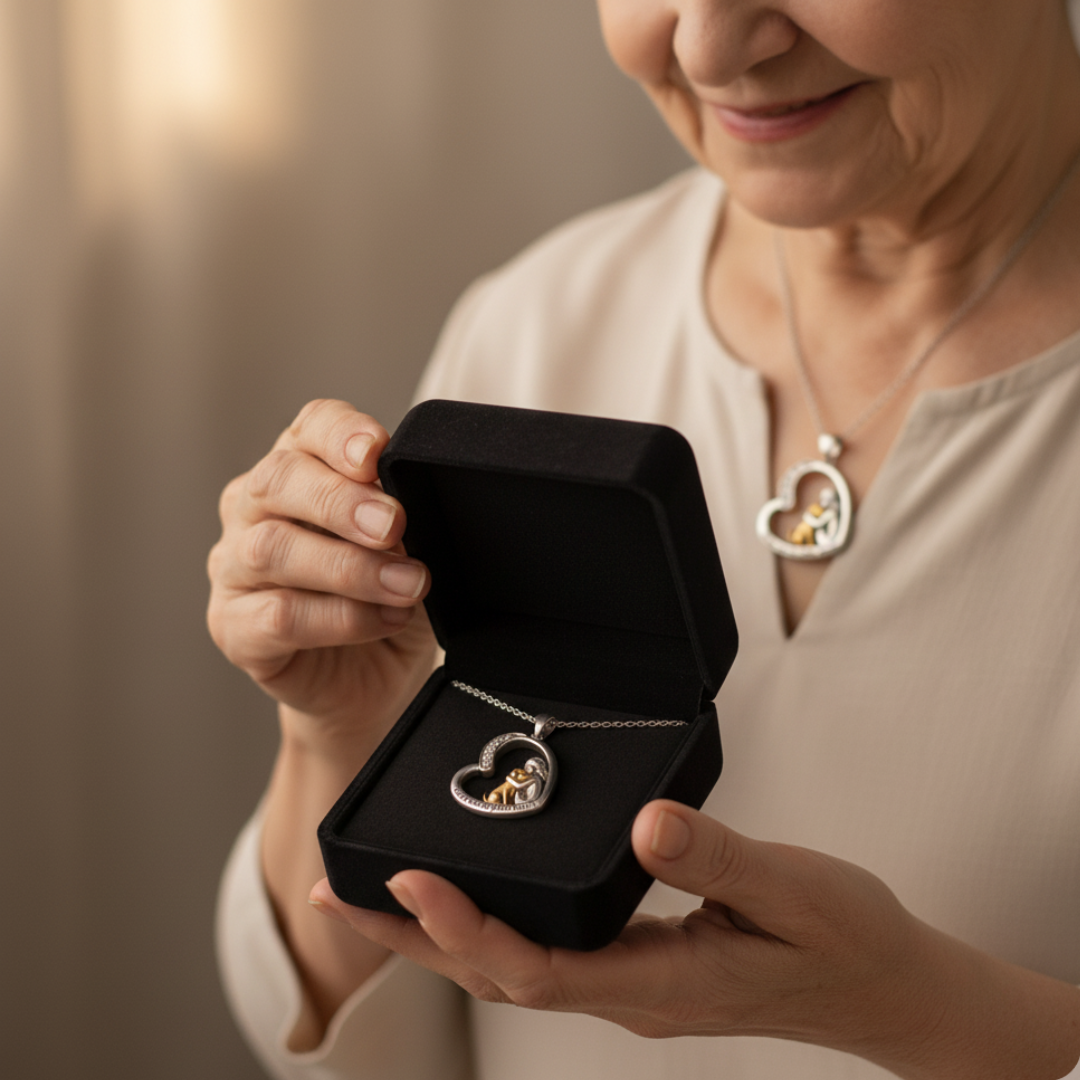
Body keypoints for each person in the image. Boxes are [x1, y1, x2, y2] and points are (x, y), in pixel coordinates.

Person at [207, 0, 1080, 1077]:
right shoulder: (534, 322)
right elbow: (359, 1044)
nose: (708, 46)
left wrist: (911, 1012)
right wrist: (341, 734)